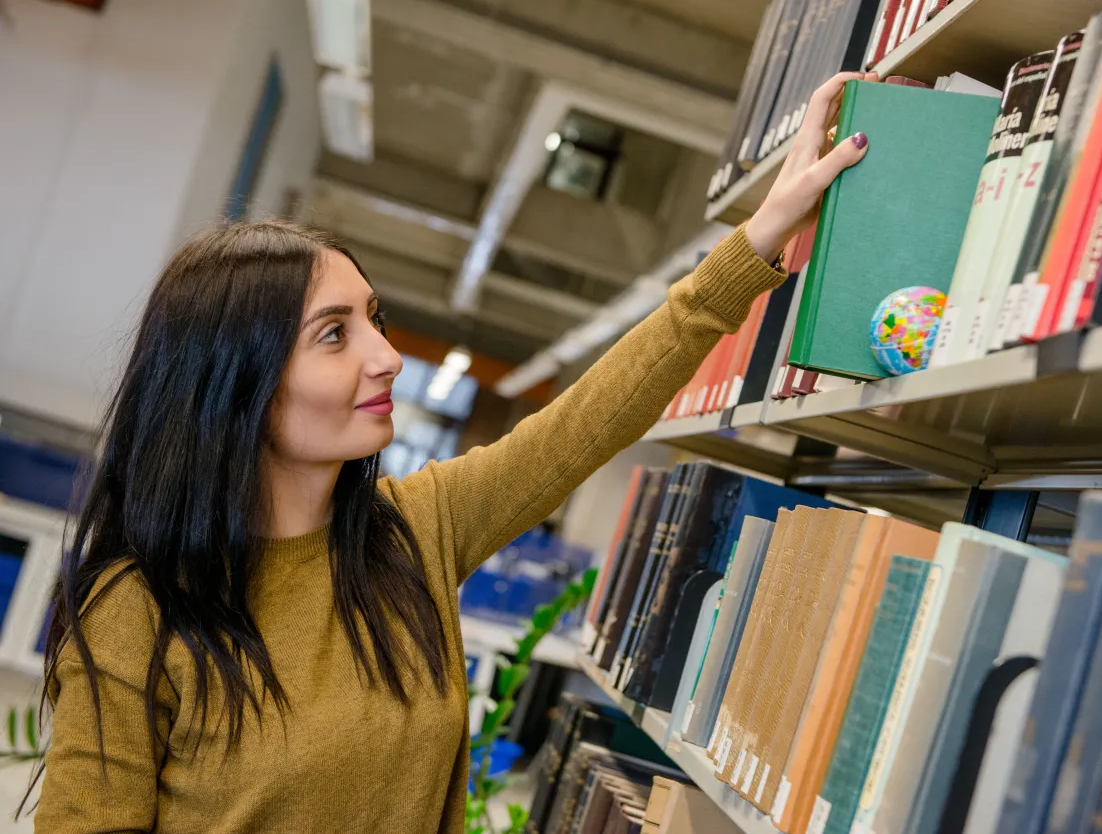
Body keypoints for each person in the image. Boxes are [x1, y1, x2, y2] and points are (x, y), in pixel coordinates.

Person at [33, 71, 876, 833]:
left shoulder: (415, 530)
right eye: (334, 334)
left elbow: (586, 422)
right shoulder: (136, 610)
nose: (385, 357)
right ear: (235, 384)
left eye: (375, 319)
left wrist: (759, 236)